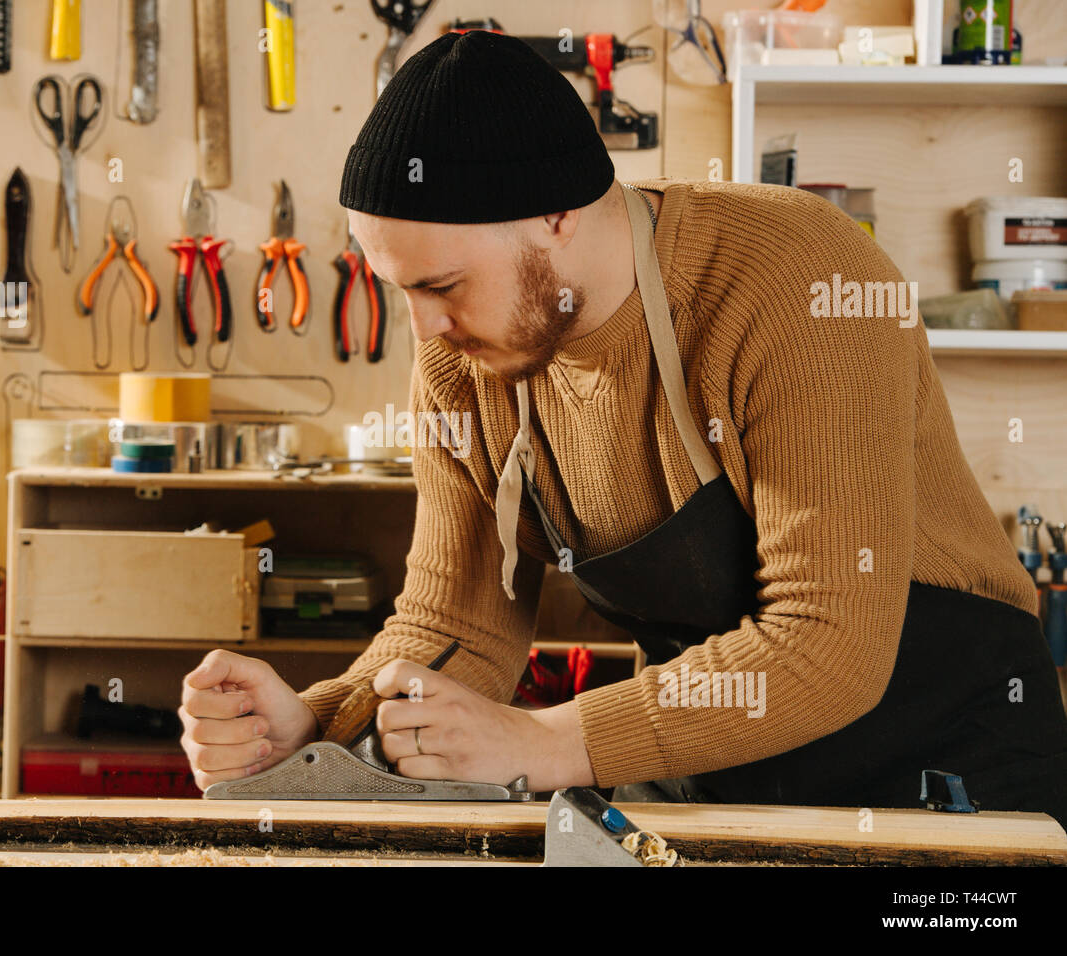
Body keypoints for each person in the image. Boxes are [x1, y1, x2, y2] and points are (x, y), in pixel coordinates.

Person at [179, 30, 1067, 824]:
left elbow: (829, 644)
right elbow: (459, 625)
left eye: (441, 286)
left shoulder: (799, 280)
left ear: (557, 214)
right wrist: (317, 729)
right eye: (399, 290)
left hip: (944, 759)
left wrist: (540, 742)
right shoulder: (466, 356)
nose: (424, 330)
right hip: (715, 768)